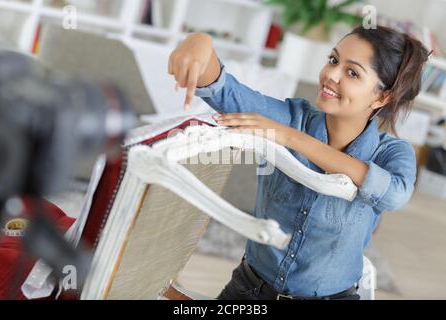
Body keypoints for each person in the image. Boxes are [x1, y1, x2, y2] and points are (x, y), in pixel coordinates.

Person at [168, 25, 430, 300]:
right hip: (250, 291)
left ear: (382, 96)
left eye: (352, 72)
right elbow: (225, 92)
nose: (331, 75)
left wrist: (293, 139)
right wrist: (200, 42)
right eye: (333, 60)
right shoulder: (291, 117)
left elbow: (395, 195)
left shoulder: (392, 152)